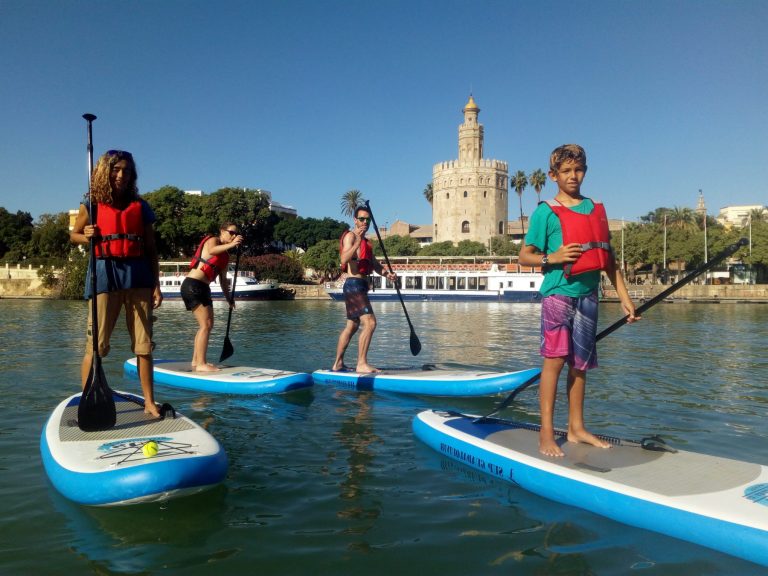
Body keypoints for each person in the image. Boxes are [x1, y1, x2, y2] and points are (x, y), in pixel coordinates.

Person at [518, 144, 640, 457]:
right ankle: (546, 432)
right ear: (553, 175)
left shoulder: (595, 208)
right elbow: (524, 256)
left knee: (581, 364)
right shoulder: (546, 212)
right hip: (558, 293)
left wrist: (624, 297)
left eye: (579, 170)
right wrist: (553, 256)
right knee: (555, 362)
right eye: (567, 171)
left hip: (589, 295)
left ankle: (576, 428)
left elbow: (608, 258)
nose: (574, 176)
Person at [70, 149, 163, 417]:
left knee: (143, 346)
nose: (122, 175)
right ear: (105, 171)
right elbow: (75, 234)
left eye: (127, 170)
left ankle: (149, 402)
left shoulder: (141, 206)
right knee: (96, 347)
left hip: (138, 279)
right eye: (116, 169)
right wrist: (86, 234)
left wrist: (156, 285)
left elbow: (151, 249)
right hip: (104, 276)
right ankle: (86, 400)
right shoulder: (92, 205)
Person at [332, 206, 397, 373]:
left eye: (367, 220)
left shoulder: (367, 242)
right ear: (355, 220)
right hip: (353, 284)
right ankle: (361, 363)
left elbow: (374, 264)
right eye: (361, 219)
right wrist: (357, 243)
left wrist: (387, 274)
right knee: (370, 323)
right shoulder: (350, 236)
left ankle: (338, 364)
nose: (365, 222)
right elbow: (344, 258)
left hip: (360, 286)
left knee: (352, 326)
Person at [180, 223, 242, 371]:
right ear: (222, 231)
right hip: (193, 285)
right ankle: (201, 364)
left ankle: (196, 361)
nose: (233, 236)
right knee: (206, 325)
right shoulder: (213, 240)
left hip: (203, 288)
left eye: (235, 234)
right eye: (231, 232)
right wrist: (233, 244)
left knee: (206, 325)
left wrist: (229, 299)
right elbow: (213, 251)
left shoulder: (225, 257)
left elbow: (222, 280)